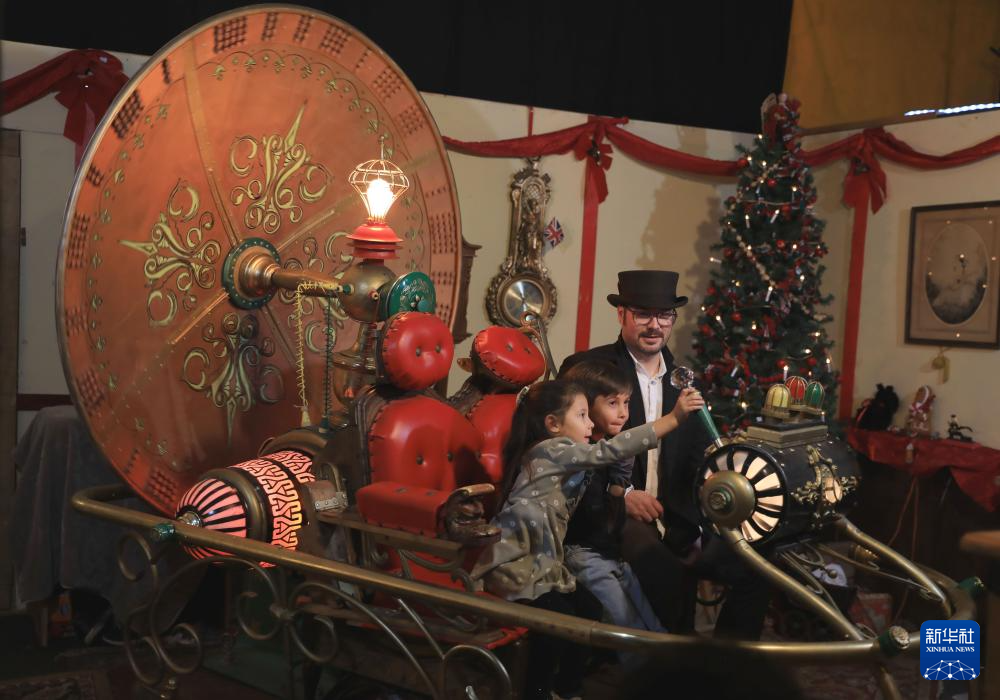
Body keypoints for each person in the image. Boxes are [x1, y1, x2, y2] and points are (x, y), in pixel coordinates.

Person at [560, 269, 771, 639]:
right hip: (610, 513)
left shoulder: (685, 380)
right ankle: (674, 660)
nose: (655, 325)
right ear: (621, 314)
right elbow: (569, 454)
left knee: (756, 567)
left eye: (664, 315)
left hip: (677, 515)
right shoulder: (588, 369)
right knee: (665, 570)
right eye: (643, 314)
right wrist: (621, 495)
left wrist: (704, 516)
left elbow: (696, 460)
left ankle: (726, 661)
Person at [472, 379, 703, 700]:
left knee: (589, 609)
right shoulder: (551, 449)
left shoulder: (568, 456)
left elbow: (607, 473)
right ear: (553, 424)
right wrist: (674, 418)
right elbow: (608, 452)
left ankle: (566, 689)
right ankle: (537, 693)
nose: (590, 423)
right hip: (517, 562)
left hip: (544, 563)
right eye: (582, 415)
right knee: (553, 627)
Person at [561, 360, 665, 654]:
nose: (623, 412)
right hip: (583, 552)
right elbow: (590, 516)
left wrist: (619, 481)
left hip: (608, 550)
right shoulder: (578, 454)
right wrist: (617, 486)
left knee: (653, 626)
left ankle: (669, 667)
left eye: (626, 402)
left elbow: (611, 517)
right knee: (626, 629)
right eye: (612, 403)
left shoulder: (608, 449)